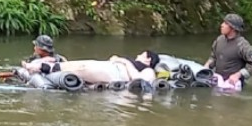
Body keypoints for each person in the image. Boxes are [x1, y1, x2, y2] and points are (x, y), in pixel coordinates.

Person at [22, 50, 160, 85]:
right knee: (80, 63)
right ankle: (40, 66)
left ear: (148, 59)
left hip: (117, 74)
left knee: (83, 69)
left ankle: (42, 69)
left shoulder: (148, 70)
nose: (137, 55)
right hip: (110, 66)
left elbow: (139, 80)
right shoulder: (133, 63)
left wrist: (124, 61)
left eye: (141, 55)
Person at [203, 13, 252, 88]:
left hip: (233, 85)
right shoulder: (219, 40)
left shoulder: (242, 45)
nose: (222, 25)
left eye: (226, 23)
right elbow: (213, 57)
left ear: (233, 28)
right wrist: (207, 66)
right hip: (218, 81)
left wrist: (238, 75)